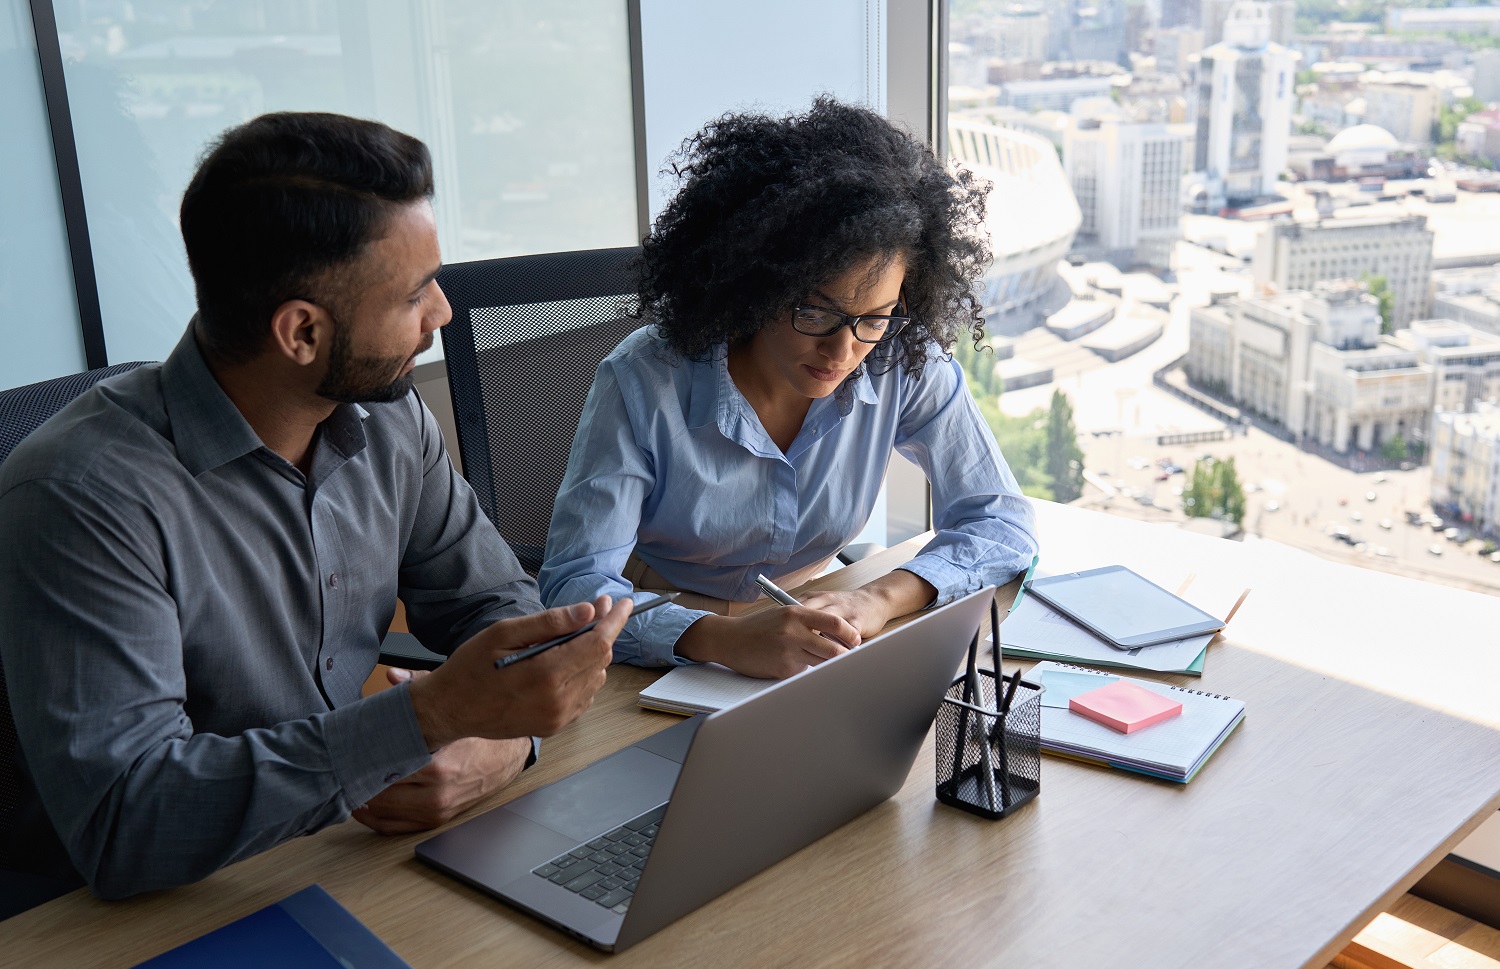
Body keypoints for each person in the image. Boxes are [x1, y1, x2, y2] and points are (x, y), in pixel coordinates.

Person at [0, 112, 630, 901]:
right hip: (135, 919)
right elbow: (126, 822)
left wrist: (507, 743)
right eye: (413, 295)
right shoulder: (79, 497)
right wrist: (422, 723)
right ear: (301, 331)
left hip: (336, 854)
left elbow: (495, 605)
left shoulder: (387, 415)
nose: (442, 314)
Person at [538, 98, 1037, 680]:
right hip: (666, 636)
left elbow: (1001, 523)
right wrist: (723, 639)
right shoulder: (646, 379)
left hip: (823, 613)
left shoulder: (902, 357)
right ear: (756, 285)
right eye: (816, 314)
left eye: (875, 318)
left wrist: (875, 599)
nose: (843, 350)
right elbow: (575, 588)